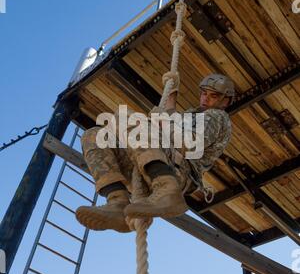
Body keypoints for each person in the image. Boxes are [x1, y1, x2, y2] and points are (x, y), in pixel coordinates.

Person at [75, 73, 235, 233]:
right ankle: (117, 203)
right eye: (204, 93)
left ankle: (167, 188)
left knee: (127, 119)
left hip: (176, 171)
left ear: (226, 100)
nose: (205, 99)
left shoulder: (217, 116)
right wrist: (173, 90)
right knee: (94, 135)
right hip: (150, 164)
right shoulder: (192, 114)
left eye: (213, 96)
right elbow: (171, 116)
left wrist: (161, 122)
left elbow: (190, 144)